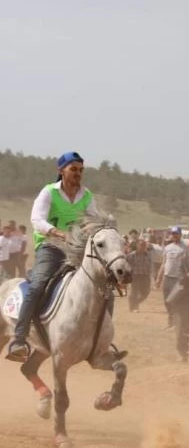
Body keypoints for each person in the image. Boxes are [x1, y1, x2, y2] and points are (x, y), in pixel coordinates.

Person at [7, 152, 99, 361]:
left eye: (80, 169)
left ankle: (100, 341)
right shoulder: (49, 192)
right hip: (50, 247)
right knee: (37, 286)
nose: (78, 173)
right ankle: (19, 339)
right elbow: (37, 220)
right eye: (73, 169)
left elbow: (93, 220)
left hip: (76, 250)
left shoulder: (86, 196)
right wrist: (59, 233)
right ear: (61, 170)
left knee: (104, 286)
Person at [155, 226, 187, 328]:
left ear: (180, 235)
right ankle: (171, 322)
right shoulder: (168, 248)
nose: (175, 235)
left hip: (178, 278)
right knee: (167, 301)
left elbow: (188, 264)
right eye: (173, 234)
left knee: (175, 301)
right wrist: (158, 279)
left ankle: (176, 323)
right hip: (167, 277)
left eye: (176, 234)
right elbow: (163, 263)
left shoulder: (185, 248)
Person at [126, 238, 152, 313]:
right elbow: (126, 264)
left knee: (146, 292)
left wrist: (150, 276)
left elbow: (150, 266)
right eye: (141, 245)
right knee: (134, 292)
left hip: (145, 276)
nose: (142, 246)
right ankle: (134, 307)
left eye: (144, 245)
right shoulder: (132, 255)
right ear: (137, 245)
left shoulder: (148, 255)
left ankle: (134, 302)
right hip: (135, 276)